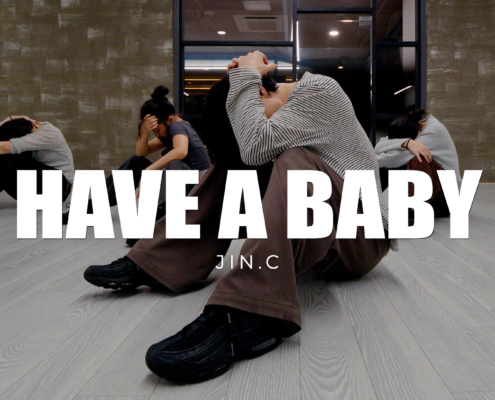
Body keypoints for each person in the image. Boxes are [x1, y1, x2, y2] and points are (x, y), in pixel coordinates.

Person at [84, 50, 394, 383]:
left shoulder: (320, 90)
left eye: (252, 104)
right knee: (233, 165)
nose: (253, 118)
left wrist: (245, 77)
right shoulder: (274, 104)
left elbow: (255, 144)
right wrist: (240, 81)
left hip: (361, 239)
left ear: (260, 91)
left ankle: (251, 309)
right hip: (322, 236)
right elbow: (248, 150)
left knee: (291, 156)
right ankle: (161, 260)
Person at [62, 86, 212, 240]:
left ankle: (152, 226)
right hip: (181, 185)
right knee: (136, 162)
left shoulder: (177, 126)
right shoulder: (168, 131)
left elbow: (181, 151)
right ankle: (86, 210)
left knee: (175, 164)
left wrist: (148, 172)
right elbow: (141, 153)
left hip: (198, 188)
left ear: (170, 119)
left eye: (157, 130)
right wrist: (143, 132)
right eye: (154, 132)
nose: (157, 134)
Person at [375, 109, 461, 219]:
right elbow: (379, 146)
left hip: (446, 201)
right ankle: (366, 203)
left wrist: (398, 146)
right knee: (387, 167)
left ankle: (415, 209)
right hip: (433, 195)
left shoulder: (434, 130)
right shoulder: (411, 127)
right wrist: (407, 143)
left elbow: (395, 158)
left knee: (419, 158)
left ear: (418, 133)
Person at [0, 115, 74, 202]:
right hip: (39, 184)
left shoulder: (48, 133)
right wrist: (10, 118)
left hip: (60, 188)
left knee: (10, 157)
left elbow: (4, 147)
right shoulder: (27, 128)